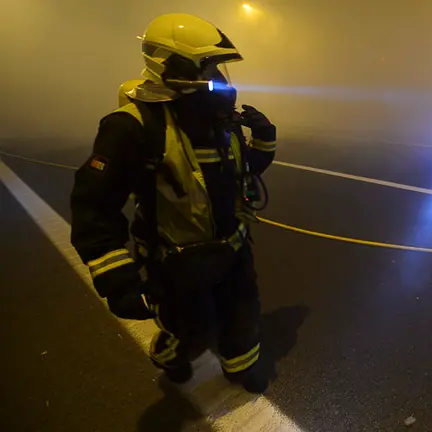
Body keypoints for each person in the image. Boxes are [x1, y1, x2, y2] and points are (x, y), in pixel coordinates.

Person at [70, 13, 277, 392]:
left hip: (233, 248)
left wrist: (265, 140)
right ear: (175, 66)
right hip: (177, 259)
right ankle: (170, 355)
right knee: (191, 329)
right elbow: (94, 206)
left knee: (243, 312)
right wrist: (117, 279)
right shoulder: (131, 126)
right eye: (208, 66)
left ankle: (240, 368)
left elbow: (243, 173)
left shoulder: (220, 120)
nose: (218, 76)